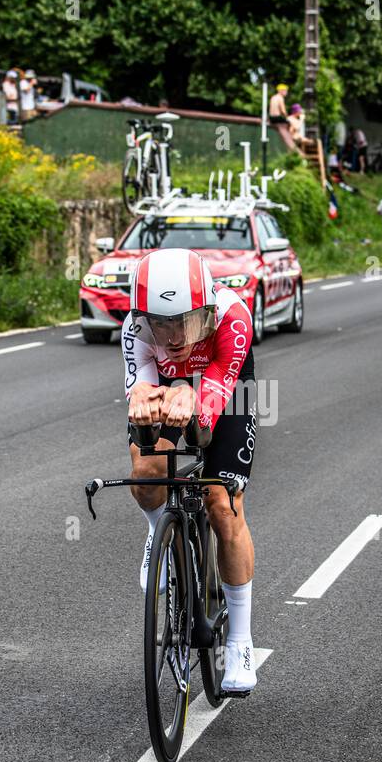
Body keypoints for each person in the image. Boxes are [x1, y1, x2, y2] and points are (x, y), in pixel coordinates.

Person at [123, 249, 259, 695]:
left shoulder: (233, 318)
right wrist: (146, 398)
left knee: (222, 502)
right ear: (144, 318)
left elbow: (211, 405)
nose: (176, 335)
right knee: (147, 475)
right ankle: (155, 532)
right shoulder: (133, 329)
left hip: (223, 381)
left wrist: (193, 397)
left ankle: (239, 641)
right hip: (168, 382)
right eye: (162, 323)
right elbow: (141, 386)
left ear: (207, 308)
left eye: (187, 320)